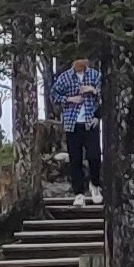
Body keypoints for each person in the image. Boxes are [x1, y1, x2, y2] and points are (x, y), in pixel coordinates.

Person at [47, 54, 102, 200]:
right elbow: (53, 94)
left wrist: (93, 91)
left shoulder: (95, 76)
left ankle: (95, 185)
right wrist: (69, 99)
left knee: (94, 156)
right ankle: (79, 193)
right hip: (72, 124)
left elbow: (104, 97)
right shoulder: (65, 77)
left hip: (91, 123)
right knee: (75, 160)